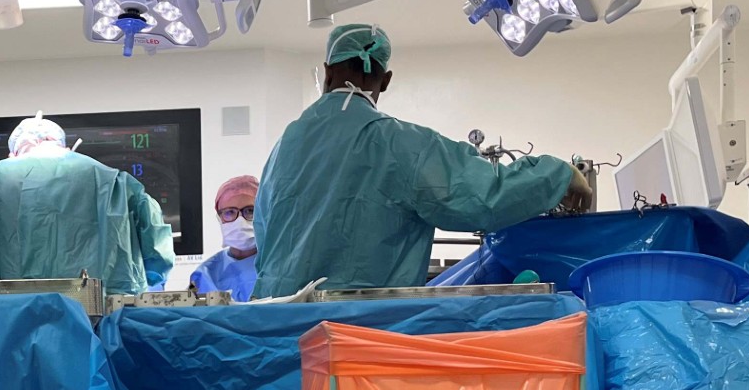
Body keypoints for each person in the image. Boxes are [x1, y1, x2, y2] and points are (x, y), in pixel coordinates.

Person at [252, 24, 594, 298]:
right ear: (385, 81)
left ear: (326, 72)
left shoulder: (285, 146)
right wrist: (558, 174)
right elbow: (482, 197)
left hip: (275, 332)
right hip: (355, 335)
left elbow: (265, 238)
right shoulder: (399, 143)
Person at [0, 115, 172, 295]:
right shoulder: (114, 181)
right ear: (63, 145)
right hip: (100, 322)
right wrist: (146, 286)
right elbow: (157, 252)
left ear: (13, 152)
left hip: (5, 325)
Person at [189, 175, 260, 298]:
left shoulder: (276, 269)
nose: (240, 220)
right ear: (220, 218)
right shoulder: (205, 273)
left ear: (263, 213)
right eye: (230, 212)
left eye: (250, 211)